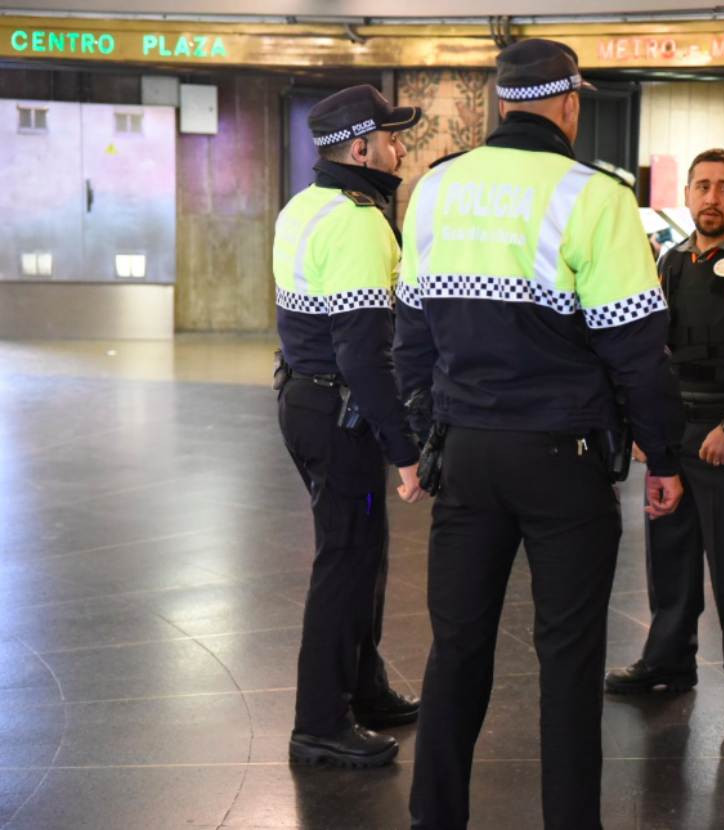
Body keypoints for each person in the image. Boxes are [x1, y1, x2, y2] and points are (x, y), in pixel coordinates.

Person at [394, 38, 685, 830]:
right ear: (569, 105)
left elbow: (410, 337)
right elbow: (638, 352)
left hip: (467, 451)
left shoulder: (437, 187)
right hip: (565, 459)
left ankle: (435, 817)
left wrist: (426, 439)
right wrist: (664, 456)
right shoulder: (594, 197)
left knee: (456, 649)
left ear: (499, 104)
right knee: (567, 657)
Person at [604, 148, 724, 728]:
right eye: (702, 187)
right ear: (687, 194)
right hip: (673, 432)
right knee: (669, 555)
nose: (712, 198)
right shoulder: (670, 261)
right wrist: (644, 426)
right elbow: (651, 352)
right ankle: (668, 663)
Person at [271, 85, 424, 769]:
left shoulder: (305, 205)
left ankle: (364, 689)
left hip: (304, 402)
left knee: (362, 550)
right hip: (341, 413)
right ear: (362, 147)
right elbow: (363, 350)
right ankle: (320, 722)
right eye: (393, 138)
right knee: (346, 561)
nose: (400, 150)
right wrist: (405, 448)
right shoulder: (360, 219)